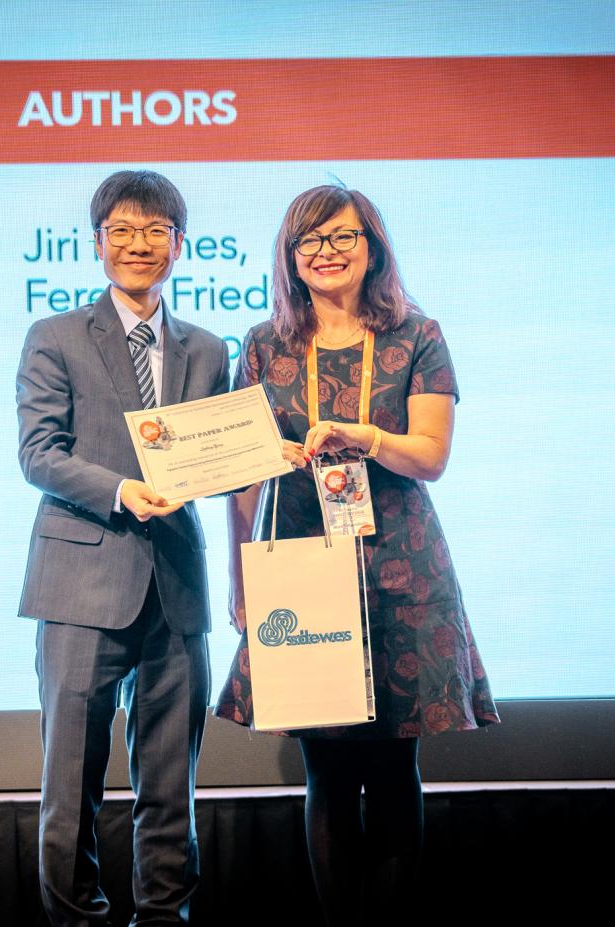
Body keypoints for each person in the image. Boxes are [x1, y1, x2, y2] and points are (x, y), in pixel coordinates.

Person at [214, 185, 500, 926]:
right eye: (310, 240)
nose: (327, 252)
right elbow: (241, 480)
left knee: (394, 765)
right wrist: (240, 577)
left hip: (398, 565)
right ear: (290, 257)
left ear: (372, 247)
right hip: (300, 564)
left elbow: (431, 456)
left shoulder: (417, 335)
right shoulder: (263, 345)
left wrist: (363, 436)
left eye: (343, 236)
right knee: (328, 770)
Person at [16, 170, 229, 927]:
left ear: (180, 244)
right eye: (123, 231)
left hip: (175, 588)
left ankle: (164, 920)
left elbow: (218, 461)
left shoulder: (209, 350)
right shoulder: (55, 337)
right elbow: (39, 453)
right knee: (70, 785)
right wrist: (120, 490)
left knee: (171, 788)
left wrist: (268, 456)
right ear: (97, 243)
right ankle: (75, 922)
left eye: (155, 231)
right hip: (80, 581)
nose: (139, 244)